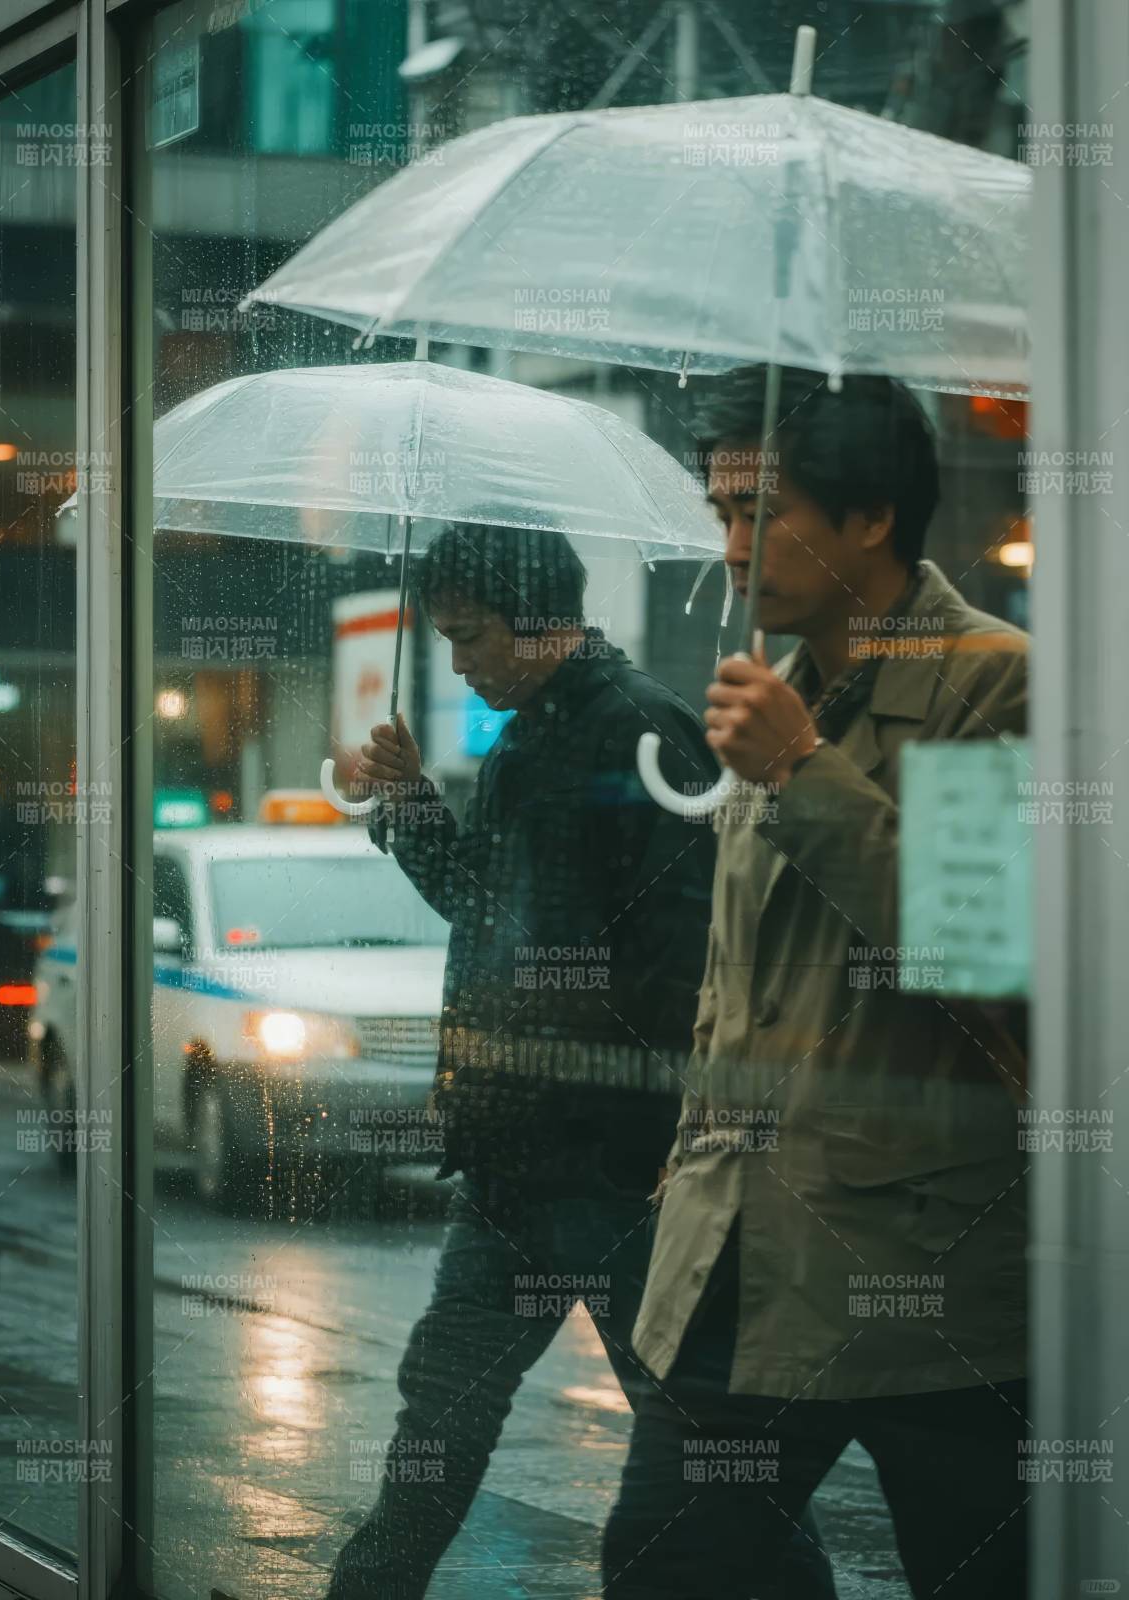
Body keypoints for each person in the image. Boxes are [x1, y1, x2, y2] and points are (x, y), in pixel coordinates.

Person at [326, 524, 836, 1599]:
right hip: (514, 1162)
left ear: (538, 620)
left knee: (697, 1444)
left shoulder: (637, 728)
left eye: (468, 636)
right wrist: (413, 802)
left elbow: (686, 963)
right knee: (443, 1410)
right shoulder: (526, 735)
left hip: (612, 1172)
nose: (457, 661)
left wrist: (632, 1140)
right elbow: (483, 908)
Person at [602, 366, 1031, 1600]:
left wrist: (803, 767)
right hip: (740, 1256)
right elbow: (735, 981)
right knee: (668, 1565)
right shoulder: (771, 694)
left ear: (871, 518)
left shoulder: (989, 679)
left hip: (932, 1277)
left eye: (763, 512)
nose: (731, 547)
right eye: (719, 511)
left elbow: (980, 945)